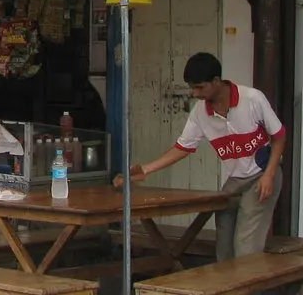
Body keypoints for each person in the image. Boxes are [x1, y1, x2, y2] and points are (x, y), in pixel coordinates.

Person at [116, 52, 287, 261]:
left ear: (216, 81)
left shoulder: (252, 99)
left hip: (262, 173)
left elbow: (279, 136)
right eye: (192, 87)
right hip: (235, 180)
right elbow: (183, 147)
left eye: (199, 87)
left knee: (246, 246)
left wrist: (269, 175)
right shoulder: (200, 112)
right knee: (223, 237)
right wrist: (146, 169)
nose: (195, 93)